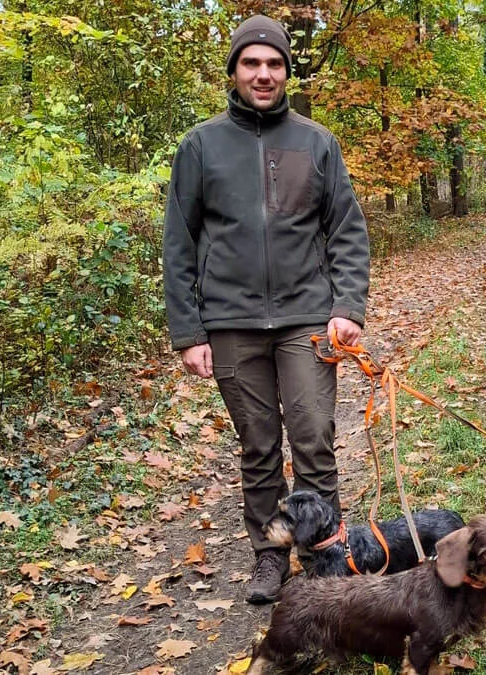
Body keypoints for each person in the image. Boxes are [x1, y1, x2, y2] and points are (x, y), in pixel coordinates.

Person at [162, 15, 370, 604]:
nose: (263, 73)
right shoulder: (201, 146)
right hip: (230, 324)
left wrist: (348, 304)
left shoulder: (316, 142)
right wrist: (189, 330)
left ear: (286, 71)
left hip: (308, 317)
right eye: (251, 63)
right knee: (259, 447)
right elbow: (179, 242)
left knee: (313, 438)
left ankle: (328, 554)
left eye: (274, 63)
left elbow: (347, 231)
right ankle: (269, 557)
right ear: (233, 70)